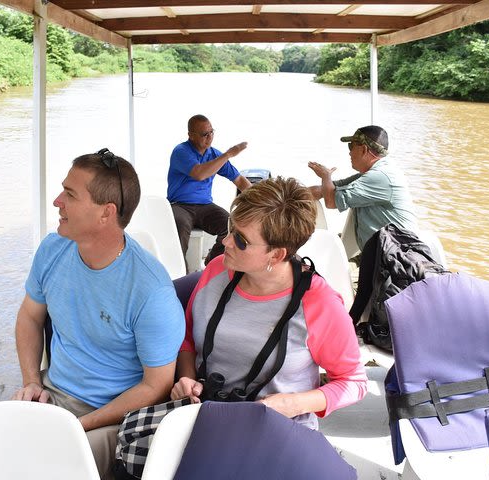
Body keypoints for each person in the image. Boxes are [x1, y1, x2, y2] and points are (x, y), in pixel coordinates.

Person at [13, 148, 185, 479]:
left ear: (106, 213)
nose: (57, 201)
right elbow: (30, 316)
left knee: (46, 468)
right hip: (53, 392)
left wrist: (79, 425)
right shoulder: (52, 249)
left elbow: (156, 387)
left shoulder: (152, 293)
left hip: (110, 416)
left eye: (70, 195)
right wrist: (32, 381)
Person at [170, 177, 367, 429]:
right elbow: (186, 337)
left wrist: (292, 404)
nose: (225, 242)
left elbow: (353, 382)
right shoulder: (217, 270)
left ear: (277, 254)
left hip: (277, 430)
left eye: (241, 240)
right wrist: (187, 379)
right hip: (205, 415)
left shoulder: (320, 303)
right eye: (231, 228)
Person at [308, 125, 418, 254]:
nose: (349, 152)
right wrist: (289, 193)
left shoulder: (380, 176)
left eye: (351, 146)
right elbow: (328, 189)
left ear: (364, 149)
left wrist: (326, 176)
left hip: (398, 257)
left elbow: (331, 201)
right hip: (383, 250)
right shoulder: (372, 174)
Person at [167, 114, 252, 266]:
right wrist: (228, 154)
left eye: (212, 132)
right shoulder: (181, 151)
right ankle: (180, 274)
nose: (210, 137)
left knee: (231, 225)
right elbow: (199, 173)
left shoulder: (214, 155)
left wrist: (262, 197)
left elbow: (239, 180)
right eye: (204, 134)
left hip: (205, 206)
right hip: (180, 205)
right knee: (179, 228)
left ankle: (212, 263)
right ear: (191, 135)